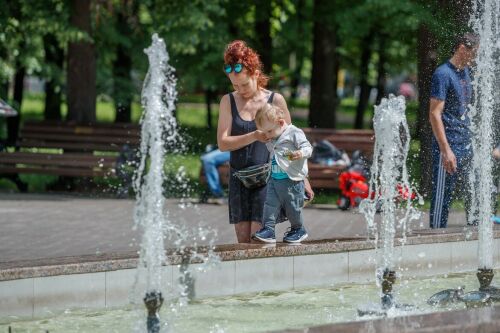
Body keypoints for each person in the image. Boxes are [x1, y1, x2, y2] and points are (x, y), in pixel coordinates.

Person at [217, 40, 314, 243]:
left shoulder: (275, 101)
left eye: (244, 84)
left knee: (259, 241)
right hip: (239, 178)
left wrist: (302, 179)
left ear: (256, 74)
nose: (240, 89)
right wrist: (254, 135)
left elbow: (292, 140)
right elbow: (223, 143)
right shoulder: (228, 101)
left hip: (269, 178)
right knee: (242, 243)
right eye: (234, 85)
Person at [429, 33, 479, 229]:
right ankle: (434, 244)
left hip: (466, 145)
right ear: (461, 48)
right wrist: (446, 150)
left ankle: (476, 244)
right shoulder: (443, 74)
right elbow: (434, 114)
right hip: (448, 148)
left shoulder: (466, 72)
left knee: (475, 198)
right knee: (442, 201)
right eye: (473, 53)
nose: (475, 58)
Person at [252, 103, 312, 243]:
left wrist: (300, 153)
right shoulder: (273, 135)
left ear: (280, 123)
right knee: (269, 205)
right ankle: (268, 230)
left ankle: (298, 229)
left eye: (269, 132)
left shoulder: (294, 133)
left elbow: (308, 147)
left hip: (292, 180)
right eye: (265, 132)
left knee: (292, 206)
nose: (267, 135)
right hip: (274, 179)